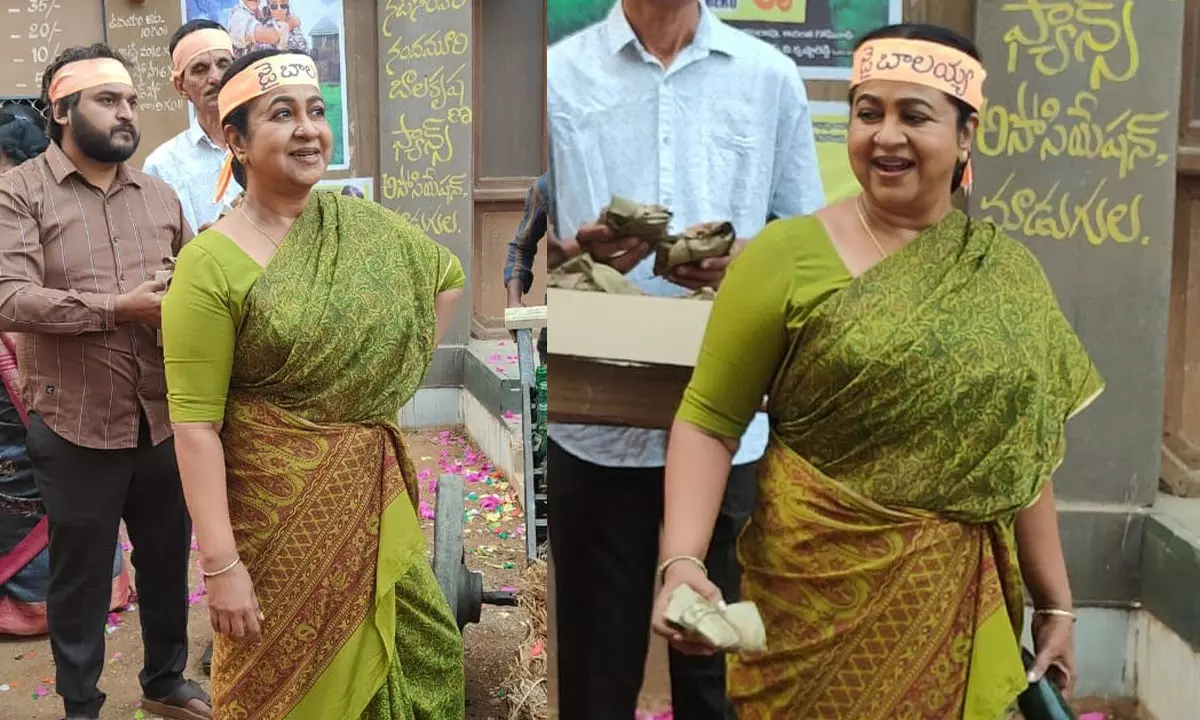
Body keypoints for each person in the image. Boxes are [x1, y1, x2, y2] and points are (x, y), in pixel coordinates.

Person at [650, 23, 1102, 720]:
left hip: (958, 603)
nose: (886, 136)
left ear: (966, 135)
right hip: (814, 602)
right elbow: (710, 420)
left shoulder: (1007, 275)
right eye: (868, 113)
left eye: (914, 115)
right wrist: (682, 559)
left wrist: (1056, 603)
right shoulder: (784, 257)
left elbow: (1021, 454)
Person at [161, 48, 466, 719]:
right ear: (236, 140)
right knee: (284, 682)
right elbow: (194, 426)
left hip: (369, 494)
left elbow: (444, 278)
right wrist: (221, 566)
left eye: (316, 111)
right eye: (282, 114)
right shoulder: (208, 264)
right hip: (276, 523)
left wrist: (380, 379)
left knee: (426, 650)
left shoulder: (363, 226)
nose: (308, 130)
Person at [546, 1, 825, 717]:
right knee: (595, 671)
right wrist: (574, 251)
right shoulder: (557, 76)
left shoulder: (768, 76)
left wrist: (746, 260)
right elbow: (522, 245)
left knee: (717, 677)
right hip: (596, 421)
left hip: (730, 419)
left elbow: (806, 241)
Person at [0, 44, 209, 720]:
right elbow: (10, 298)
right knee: (82, 575)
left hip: (161, 417)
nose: (127, 113)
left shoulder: (159, 195)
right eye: (108, 100)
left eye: (131, 100)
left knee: (166, 560)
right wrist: (119, 309)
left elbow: (195, 285)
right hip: (74, 421)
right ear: (62, 110)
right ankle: (81, 705)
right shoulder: (20, 192)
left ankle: (165, 682)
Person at [0, 107, 133, 639]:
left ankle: (43, 601)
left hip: (46, 360)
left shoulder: (36, 205)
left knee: (45, 474)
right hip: (39, 362)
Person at [144, 20, 240, 235]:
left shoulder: (265, 145)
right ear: (181, 86)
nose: (215, 77)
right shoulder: (162, 166)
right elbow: (159, 242)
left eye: (224, 64)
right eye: (200, 69)